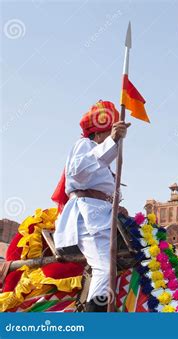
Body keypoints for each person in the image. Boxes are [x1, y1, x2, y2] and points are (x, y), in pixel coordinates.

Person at [52, 100, 130, 312]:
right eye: (111, 131)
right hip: (89, 216)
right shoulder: (84, 146)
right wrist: (113, 140)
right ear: (99, 133)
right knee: (104, 268)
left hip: (103, 216)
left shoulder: (102, 160)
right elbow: (77, 171)